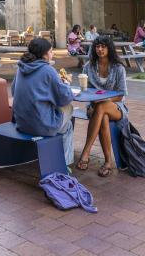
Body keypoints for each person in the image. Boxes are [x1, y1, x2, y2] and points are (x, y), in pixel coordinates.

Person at [11, 37, 75, 168]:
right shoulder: (48, 70)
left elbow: (13, 91)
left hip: (21, 123)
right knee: (69, 115)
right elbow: (64, 98)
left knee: (58, 113)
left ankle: (53, 154)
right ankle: (63, 165)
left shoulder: (21, 68)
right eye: (51, 51)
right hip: (41, 126)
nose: (53, 54)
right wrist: (67, 85)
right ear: (44, 54)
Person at [76, 35, 127, 177]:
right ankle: (108, 162)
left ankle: (86, 152)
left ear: (109, 48)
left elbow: (121, 94)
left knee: (102, 107)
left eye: (103, 46)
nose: (100, 49)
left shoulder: (118, 68)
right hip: (94, 106)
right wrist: (93, 102)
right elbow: (85, 91)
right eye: (97, 46)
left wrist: (103, 101)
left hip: (116, 106)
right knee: (102, 115)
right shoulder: (88, 67)